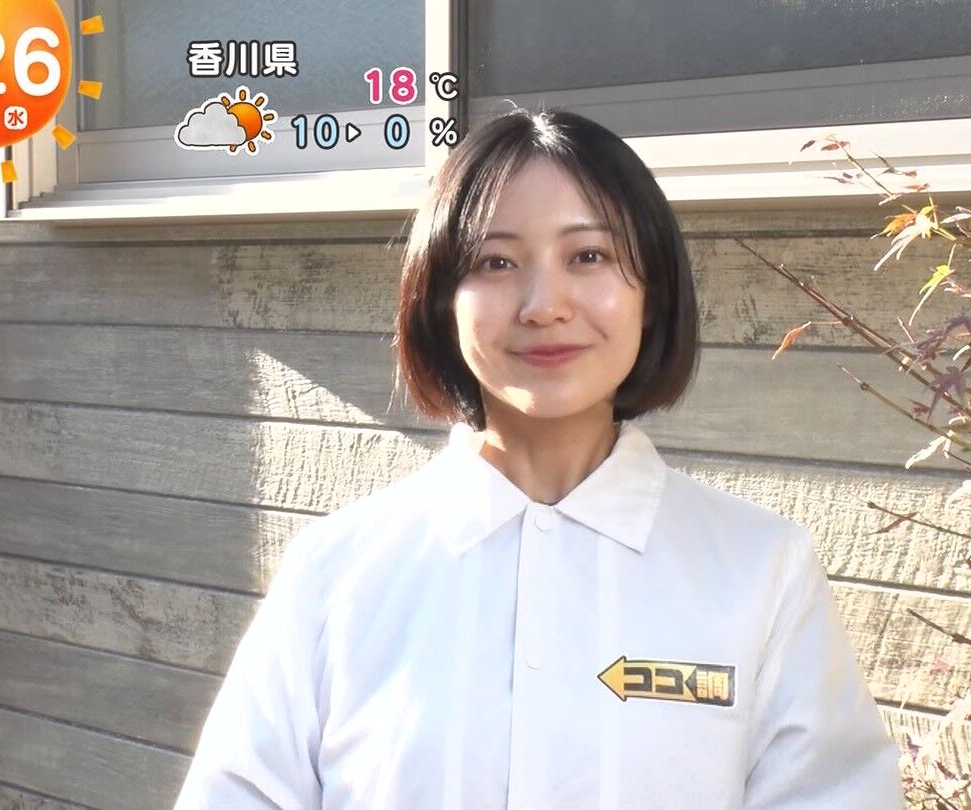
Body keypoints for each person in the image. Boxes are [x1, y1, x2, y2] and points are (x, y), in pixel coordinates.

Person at [174, 108, 903, 809]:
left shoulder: (761, 568)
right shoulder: (337, 573)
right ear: (441, 301)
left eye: (589, 256)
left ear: (651, 295)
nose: (543, 304)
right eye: (496, 261)